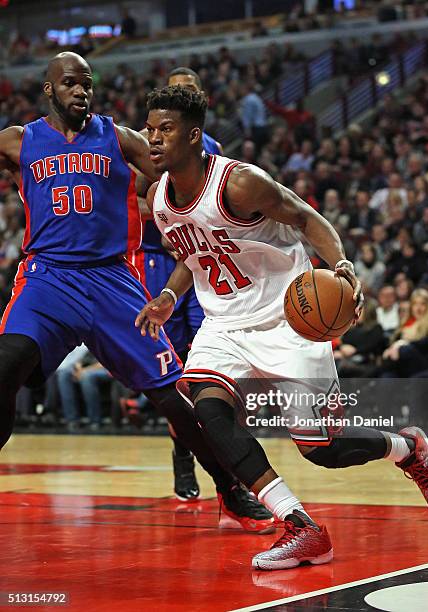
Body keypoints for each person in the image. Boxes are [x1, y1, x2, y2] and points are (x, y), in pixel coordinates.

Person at [136, 86, 428, 570]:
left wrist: (342, 263)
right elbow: (195, 254)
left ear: (194, 136)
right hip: (224, 323)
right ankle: (301, 526)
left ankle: (408, 449)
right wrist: (168, 296)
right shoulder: (158, 199)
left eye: (166, 130)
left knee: (321, 450)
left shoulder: (240, 184)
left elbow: (305, 218)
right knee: (207, 411)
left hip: (290, 318)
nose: (153, 138)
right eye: (150, 128)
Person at [0, 52, 273, 534]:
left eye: (87, 83)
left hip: (113, 280)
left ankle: (229, 490)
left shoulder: (119, 137)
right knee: (6, 362)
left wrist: (227, 198)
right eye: (69, 83)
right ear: (49, 90)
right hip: (48, 278)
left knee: (174, 399)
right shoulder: (19, 141)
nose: (80, 91)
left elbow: (187, 172)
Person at [132, 66, 222, 502]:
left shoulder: (215, 151)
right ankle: (182, 460)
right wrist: (160, 218)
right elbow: (131, 196)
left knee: (207, 371)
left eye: (187, 93)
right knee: (174, 374)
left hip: (200, 262)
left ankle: (224, 464)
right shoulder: (149, 145)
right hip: (157, 260)